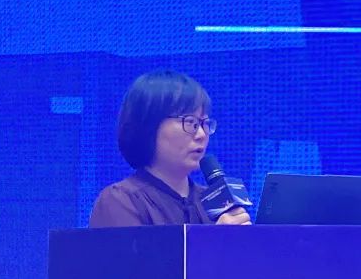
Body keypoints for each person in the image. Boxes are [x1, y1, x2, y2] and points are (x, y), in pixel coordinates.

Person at [89, 70, 251, 227]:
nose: (201, 134)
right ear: (149, 126)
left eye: (204, 124)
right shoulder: (121, 200)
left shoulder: (211, 203)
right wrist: (218, 239)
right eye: (190, 122)